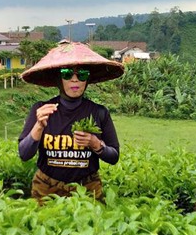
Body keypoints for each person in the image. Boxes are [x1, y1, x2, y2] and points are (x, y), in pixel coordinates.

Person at [18, 41, 124, 203]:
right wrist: (38, 126)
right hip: (47, 188)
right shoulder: (41, 110)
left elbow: (114, 156)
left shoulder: (99, 112)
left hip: (87, 188)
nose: (75, 80)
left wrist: (96, 144)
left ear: (87, 79)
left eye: (81, 75)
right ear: (59, 78)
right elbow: (24, 154)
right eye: (67, 74)